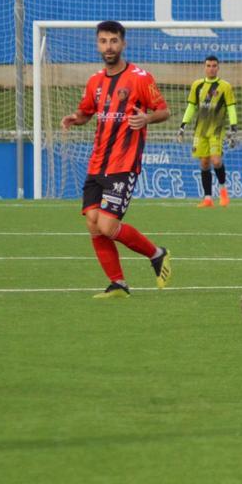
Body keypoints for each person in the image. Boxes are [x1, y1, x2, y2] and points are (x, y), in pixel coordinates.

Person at [61, 20, 173, 298]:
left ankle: (157, 254)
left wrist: (146, 118)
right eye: (103, 41)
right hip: (97, 162)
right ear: (97, 44)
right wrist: (76, 118)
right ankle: (118, 283)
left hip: (124, 163)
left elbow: (163, 111)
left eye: (113, 41)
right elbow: (87, 111)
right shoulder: (95, 81)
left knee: (107, 226)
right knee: (92, 222)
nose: (108, 47)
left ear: (123, 43)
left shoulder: (140, 77)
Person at [177, 55, 238, 208]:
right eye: (208, 66)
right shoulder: (197, 85)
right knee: (204, 163)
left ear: (218, 68)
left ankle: (223, 191)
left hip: (217, 130)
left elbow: (231, 108)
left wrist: (233, 127)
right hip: (200, 130)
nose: (211, 68)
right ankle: (208, 198)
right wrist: (183, 125)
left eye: (214, 66)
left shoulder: (225, 86)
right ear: (204, 67)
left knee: (216, 161)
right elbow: (191, 106)